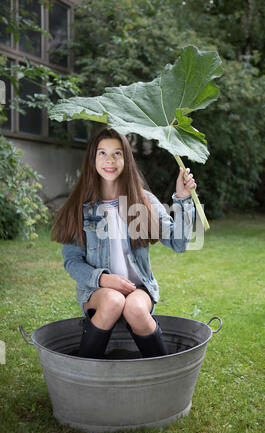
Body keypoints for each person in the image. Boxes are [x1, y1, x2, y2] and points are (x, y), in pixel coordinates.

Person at [51, 127, 196, 359]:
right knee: (113, 299)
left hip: (138, 290)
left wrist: (183, 199)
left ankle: (165, 371)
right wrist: (103, 278)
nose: (110, 160)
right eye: (102, 153)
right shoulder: (80, 207)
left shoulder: (143, 201)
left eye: (117, 153)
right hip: (98, 291)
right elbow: (72, 262)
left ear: (126, 159)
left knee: (135, 307)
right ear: (92, 159)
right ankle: (84, 371)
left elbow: (179, 244)